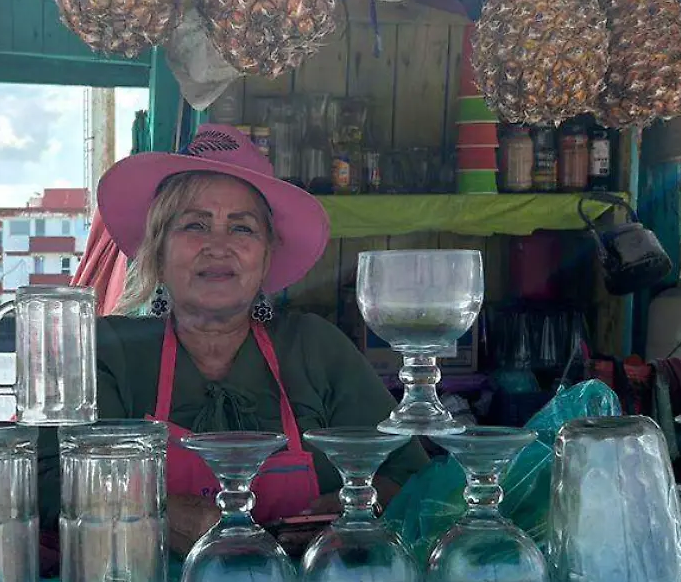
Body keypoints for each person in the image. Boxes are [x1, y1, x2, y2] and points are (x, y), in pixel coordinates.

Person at [49, 123, 429, 555]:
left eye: (242, 228)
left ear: (267, 254)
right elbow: (48, 479)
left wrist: (351, 512)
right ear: (157, 250)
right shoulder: (107, 351)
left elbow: (412, 479)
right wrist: (158, 514)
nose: (218, 246)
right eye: (195, 225)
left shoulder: (316, 348)